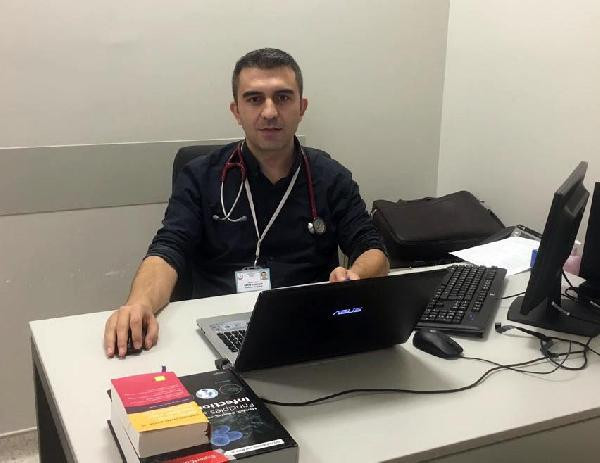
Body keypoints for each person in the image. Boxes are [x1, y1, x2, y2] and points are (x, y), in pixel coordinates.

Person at [104, 48, 389, 358]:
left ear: (301, 107)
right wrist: (139, 303)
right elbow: (169, 249)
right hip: (214, 328)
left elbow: (372, 248)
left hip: (308, 326)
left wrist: (355, 277)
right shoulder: (201, 176)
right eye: (254, 99)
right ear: (236, 111)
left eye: (283, 97)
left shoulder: (330, 177)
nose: (269, 112)